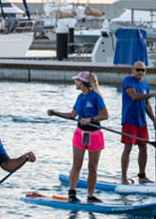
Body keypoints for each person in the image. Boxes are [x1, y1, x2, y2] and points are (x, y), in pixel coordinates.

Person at [46, 71, 109, 202]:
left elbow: (105, 115)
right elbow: (72, 115)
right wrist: (55, 113)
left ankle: (90, 196)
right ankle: (72, 193)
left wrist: (90, 119)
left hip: (95, 135)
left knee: (92, 167)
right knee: (76, 164)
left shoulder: (96, 97)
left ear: (83, 83)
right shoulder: (80, 97)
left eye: (77, 81)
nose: (75, 83)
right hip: (80, 134)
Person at [119, 61, 156, 184]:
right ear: (133, 70)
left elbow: (147, 105)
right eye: (138, 69)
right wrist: (152, 95)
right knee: (128, 148)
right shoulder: (128, 80)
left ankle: (142, 176)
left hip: (141, 122)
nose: (140, 72)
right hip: (129, 121)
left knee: (143, 148)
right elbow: (134, 96)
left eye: (142, 70)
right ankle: (123, 178)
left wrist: (154, 120)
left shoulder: (145, 85)